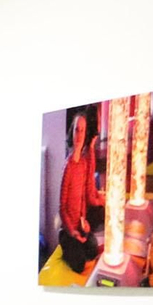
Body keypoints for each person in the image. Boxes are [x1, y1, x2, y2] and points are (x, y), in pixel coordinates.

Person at [58, 112, 105, 272]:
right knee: (79, 265)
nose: (79, 135)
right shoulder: (68, 167)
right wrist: (72, 231)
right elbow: (62, 208)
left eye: (82, 131)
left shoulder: (84, 163)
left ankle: (79, 243)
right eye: (76, 130)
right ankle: (68, 244)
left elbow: (89, 183)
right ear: (72, 132)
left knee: (93, 251)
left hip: (80, 226)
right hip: (69, 230)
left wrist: (85, 224)